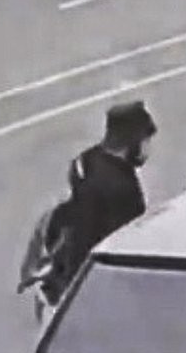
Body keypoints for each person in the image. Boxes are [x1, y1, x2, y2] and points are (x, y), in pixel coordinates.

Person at [53, 100, 157, 289]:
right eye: (146, 141)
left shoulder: (86, 161)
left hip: (71, 267)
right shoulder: (122, 189)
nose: (148, 149)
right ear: (132, 142)